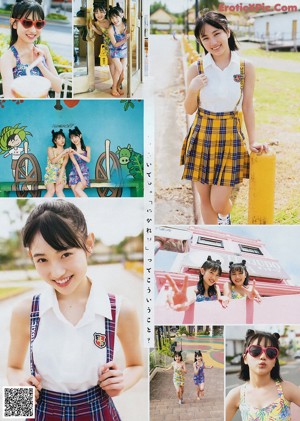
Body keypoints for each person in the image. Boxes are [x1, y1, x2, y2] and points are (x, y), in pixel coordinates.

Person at [7, 200, 143, 420]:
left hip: (97, 412)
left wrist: (122, 383)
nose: (57, 271)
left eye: (65, 254)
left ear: (89, 244)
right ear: (30, 257)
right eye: (42, 259)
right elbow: (12, 367)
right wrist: (21, 394)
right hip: (40, 413)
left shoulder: (121, 309)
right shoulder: (24, 311)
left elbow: (137, 365)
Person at [180, 11, 268, 225]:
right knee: (205, 200)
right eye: (205, 37)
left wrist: (253, 139)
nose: (212, 41)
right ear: (200, 41)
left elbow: (247, 106)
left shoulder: (245, 67)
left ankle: (225, 216)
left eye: (216, 33)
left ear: (227, 32)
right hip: (202, 135)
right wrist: (192, 90)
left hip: (230, 136)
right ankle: (214, 239)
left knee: (218, 202)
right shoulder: (197, 68)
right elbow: (190, 110)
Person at [226, 329, 300, 421]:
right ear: (245, 358)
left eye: (270, 352)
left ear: (274, 361)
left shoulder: (287, 389)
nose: (263, 356)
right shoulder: (236, 394)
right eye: (255, 350)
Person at [0, 0, 62, 98]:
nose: (33, 30)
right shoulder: (8, 58)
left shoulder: (44, 50)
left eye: (38, 24)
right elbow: (9, 99)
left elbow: (58, 87)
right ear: (14, 23)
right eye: (27, 23)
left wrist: (40, 65)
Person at [107, 3, 129, 97]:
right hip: (114, 51)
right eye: (112, 18)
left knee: (122, 75)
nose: (114, 20)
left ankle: (117, 87)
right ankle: (115, 88)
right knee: (119, 69)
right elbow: (115, 44)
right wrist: (125, 39)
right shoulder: (111, 29)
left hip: (124, 50)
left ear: (122, 15)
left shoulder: (127, 26)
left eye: (116, 17)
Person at [88, 2, 114, 81]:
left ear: (105, 12)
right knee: (111, 63)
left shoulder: (110, 20)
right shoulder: (96, 23)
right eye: (96, 12)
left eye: (101, 12)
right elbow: (101, 33)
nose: (99, 15)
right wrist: (94, 29)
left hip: (116, 43)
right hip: (107, 44)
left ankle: (118, 81)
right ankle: (115, 81)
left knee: (117, 64)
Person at [44, 129, 69, 197]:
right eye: (59, 138)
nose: (62, 140)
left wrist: (60, 178)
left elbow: (63, 166)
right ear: (55, 141)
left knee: (58, 190)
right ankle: (41, 206)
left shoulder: (66, 152)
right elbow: (53, 161)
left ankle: (65, 207)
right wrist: (62, 153)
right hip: (50, 174)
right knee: (51, 191)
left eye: (63, 138)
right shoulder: (50, 149)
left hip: (61, 174)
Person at [68, 126, 91, 197]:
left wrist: (77, 153)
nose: (74, 139)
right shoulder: (70, 150)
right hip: (74, 173)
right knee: (76, 196)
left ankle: (91, 205)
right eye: (72, 138)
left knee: (78, 189)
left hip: (84, 172)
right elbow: (76, 165)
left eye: (75, 137)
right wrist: (81, 178)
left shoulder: (87, 148)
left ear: (80, 136)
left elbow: (88, 159)